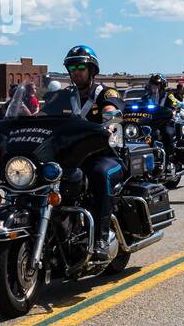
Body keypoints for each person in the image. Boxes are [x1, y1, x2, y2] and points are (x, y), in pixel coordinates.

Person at [44, 45, 125, 262]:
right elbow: (40, 116)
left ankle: (100, 238)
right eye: (72, 67)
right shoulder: (62, 96)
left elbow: (111, 109)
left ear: (91, 70)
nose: (76, 71)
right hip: (69, 157)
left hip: (103, 155)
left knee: (100, 174)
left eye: (81, 66)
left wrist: (109, 120)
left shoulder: (106, 93)